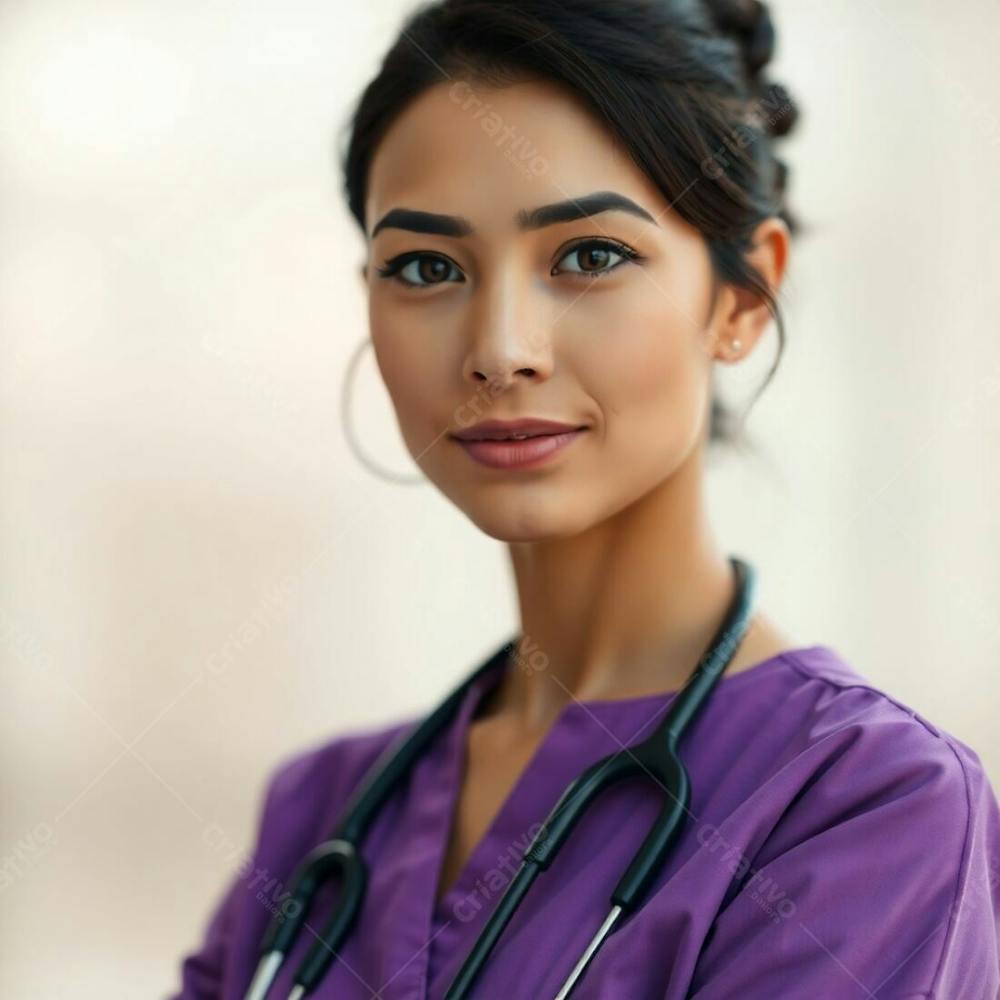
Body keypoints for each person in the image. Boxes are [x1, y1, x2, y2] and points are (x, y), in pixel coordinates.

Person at [173, 0, 1000, 997]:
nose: (499, 349)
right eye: (427, 268)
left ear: (742, 296)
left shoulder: (864, 807)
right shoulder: (322, 814)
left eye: (589, 256)